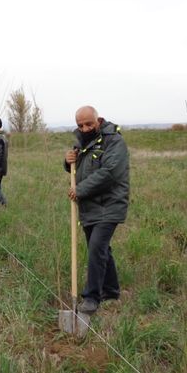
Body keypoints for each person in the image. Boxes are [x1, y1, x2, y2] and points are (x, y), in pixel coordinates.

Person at [64, 106, 129, 315]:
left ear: (98, 120)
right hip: (90, 206)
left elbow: (110, 173)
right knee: (101, 249)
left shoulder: (114, 142)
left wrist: (80, 190)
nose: (84, 128)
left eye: (88, 124)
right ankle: (111, 290)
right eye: (80, 125)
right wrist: (67, 161)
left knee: (96, 248)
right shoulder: (82, 142)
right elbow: (79, 168)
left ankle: (92, 297)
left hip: (110, 204)